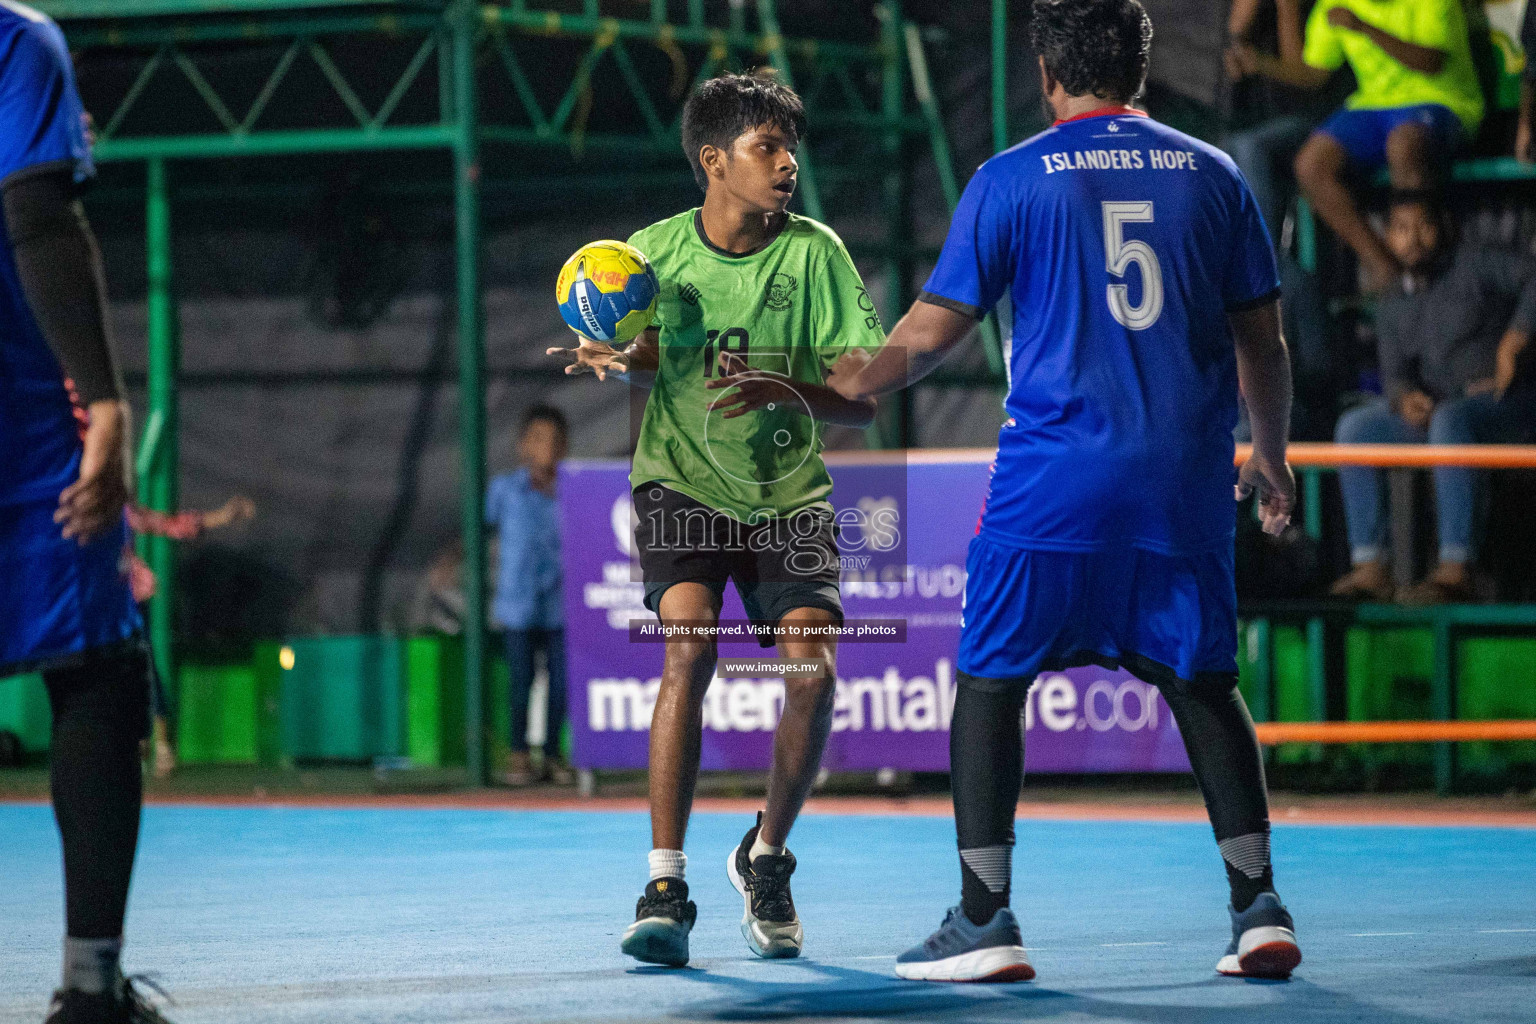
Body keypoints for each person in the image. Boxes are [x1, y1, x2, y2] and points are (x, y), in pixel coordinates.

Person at [828, 0, 1302, 983]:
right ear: (1140, 65)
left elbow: (932, 330)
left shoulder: (1009, 180)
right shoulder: (1216, 174)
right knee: (1206, 684)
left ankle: (984, 917)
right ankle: (1258, 906)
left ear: (1047, 71)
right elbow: (1264, 339)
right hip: (1180, 487)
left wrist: (851, 382)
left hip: (1054, 486)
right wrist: (1272, 454)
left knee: (991, 684)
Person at [548, 70, 883, 967]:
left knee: (811, 669)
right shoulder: (649, 256)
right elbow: (653, 355)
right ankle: (665, 885)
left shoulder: (816, 255)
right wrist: (620, 354)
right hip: (681, 483)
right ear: (713, 161)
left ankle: (765, 856)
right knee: (688, 644)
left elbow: (863, 402)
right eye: (766, 148)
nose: (787, 165)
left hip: (788, 496)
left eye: (790, 148)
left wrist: (790, 387)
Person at [0, 3, 175, 1020]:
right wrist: (105, 398)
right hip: (20, 425)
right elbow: (36, 217)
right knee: (98, 665)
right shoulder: (18, 42)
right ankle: (89, 983)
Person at [1329, 192, 1535, 604]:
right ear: (1387, 236)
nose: (1414, 239)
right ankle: (1370, 567)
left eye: (1423, 226)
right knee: (1356, 428)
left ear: (1441, 227)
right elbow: (1395, 376)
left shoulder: (1474, 263)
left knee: (1451, 420)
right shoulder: (1392, 296)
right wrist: (1404, 397)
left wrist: (1515, 339)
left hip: (1507, 403)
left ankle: (1457, 570)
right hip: (1441, 414)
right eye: (1402, 229)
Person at [1238, 0, 1483, 290]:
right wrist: (1262, 60)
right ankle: (1386, 269)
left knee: (1403, 145)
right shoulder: (1335, 4)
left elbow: (1430, 62)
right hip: (1374, 106)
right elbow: (1313, 73)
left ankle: (1426, 270)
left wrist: (1364, 27)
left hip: (1441, 99)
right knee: (1311, 164)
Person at [485, 405, 573, 786]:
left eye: (555, 441)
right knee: (520, 683)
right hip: (517, 606)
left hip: (561, 607)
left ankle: (552, 756)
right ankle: (519, 755)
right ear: (522, 446)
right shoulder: (503, 490)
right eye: (538, 439)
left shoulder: (572, 492)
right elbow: (478, 530)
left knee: (560, 685)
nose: (546, 448)